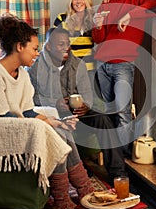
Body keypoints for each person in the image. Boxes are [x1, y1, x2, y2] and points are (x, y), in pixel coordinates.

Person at [0, 13, 94, 209]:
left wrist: (59, 122)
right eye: (34, 48)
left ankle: (81, 189)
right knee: (47, 132)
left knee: (61, 130)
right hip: (3, 132)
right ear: (19, 46)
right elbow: (3, 116)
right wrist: (41, 125)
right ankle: (64, 198)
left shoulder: (22, 74)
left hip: (19, 126)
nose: (37, 53)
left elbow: (29, 111)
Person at [27, 26, 127, 184]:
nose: (66, 48)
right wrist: (56, 103)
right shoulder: (34, 68)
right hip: (51, 117)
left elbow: (87, 94)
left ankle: (118, 174)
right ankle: (65, 178)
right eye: (60, 44)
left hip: (77, 115)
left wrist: (85, 105)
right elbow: (30, 100)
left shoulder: (78, 64)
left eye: (67, 43)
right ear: (49, 46)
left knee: (103, 119)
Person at [92, 0, 156, 156]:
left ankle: (123, 160)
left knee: (122, 112)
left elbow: (155, 2)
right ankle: (113, 157)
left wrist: (131, 15)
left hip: (123, 65)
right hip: (102, 64)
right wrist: (98, 25)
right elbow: (99, 39)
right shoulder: (106, 4)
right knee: (109, 112)